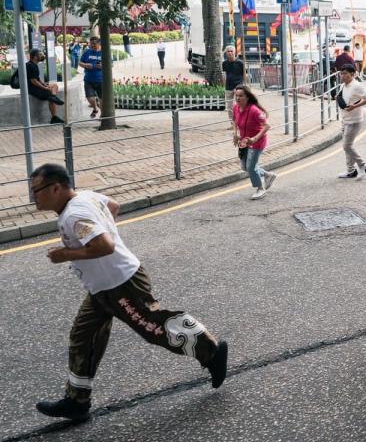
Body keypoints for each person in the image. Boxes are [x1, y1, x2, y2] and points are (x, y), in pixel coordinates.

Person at [30, 163, 228, 421]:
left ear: (55, 188)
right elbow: (112, 206)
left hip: (121, 284)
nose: (33, 197)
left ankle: (211, 351)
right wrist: (104, 230)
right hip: (102, 287)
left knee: (153, 326)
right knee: (84, 336)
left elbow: (105, 246)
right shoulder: (85, 197)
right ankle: (76, 401)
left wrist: (64, 254)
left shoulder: (74, 214)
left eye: (36, 191)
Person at [233, 85, 277, 200]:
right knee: (245, 167)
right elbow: (234, 121)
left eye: (241, 96)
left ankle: (260, 188)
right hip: (244, 142)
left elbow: (267, 125)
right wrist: (235, 134)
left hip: (257, 142)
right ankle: (268, 175)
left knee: (251, 167)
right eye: (236, 96)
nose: (238, 98)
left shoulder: (254, 110)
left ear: (247, 97)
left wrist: (255, 138)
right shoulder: (236, 108)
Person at [337, 64, 366, 179]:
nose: (343, 75)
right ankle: (351, 171)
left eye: (345, 73)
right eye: (342, 73)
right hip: (345, 119)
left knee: (347, 146)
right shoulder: (343, 85)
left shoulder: (357, 85)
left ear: (352, 74)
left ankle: (363, 164)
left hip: (354, 121)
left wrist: (355, 107)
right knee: (348, 147)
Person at [25, 48, 65, 124]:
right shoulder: (30, 66)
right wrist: (45, 88)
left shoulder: (34, 65)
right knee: (50, 94)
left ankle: (53, 97)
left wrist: (44, 84)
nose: (42, 56)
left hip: (36, 86)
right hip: (32, 89)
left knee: (54, 85)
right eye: (40, 54)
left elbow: (37, 79)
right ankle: (54, 117)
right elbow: (34, 81)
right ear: (35, 57)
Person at [79, 37, 104, 118]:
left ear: (99, 43)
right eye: (91, 43)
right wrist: (86, 65)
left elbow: (111, 64)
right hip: (88, 80)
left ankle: (102, 114)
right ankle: (95, 108)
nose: (92, 45)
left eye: (94, 43)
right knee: (90, 98)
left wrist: (102, 66)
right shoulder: (87, 52)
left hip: (101, 79)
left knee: (102, 98)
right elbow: (80, 62)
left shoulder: (104, 52)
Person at [222, 47, 245, 123]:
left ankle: (239, 121)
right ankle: (232, 123)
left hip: (238, 87)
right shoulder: (224, 63)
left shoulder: (240, 63)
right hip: (228, 87)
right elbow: (224, 74)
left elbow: (245, 75)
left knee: (236, 105)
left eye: (231, 51)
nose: (230, 53)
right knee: (229, 106)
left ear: (234, 52)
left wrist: (241, 86)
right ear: (226, 53)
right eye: (228, 51)